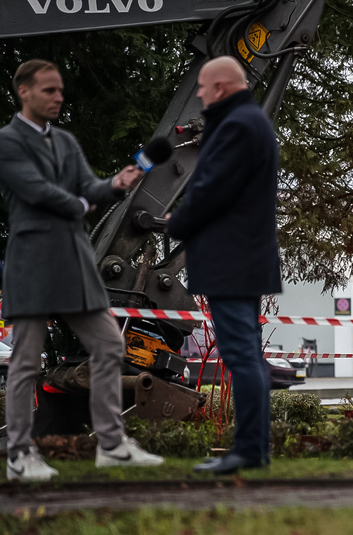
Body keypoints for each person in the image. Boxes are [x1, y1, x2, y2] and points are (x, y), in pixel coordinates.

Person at [0, 59, 164, 482]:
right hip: (33, 263)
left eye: (60, 90)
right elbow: (34, 189)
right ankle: (19, 455)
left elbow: (90, 188)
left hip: (74, 263)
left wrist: (119, 181)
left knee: (109, 344)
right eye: (49, 90)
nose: (59, 97)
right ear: (24, 92)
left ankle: (111, 445)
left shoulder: (66, 142)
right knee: (26, 363)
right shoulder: (8, 142)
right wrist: (77, 202)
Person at [166, 56, 281, 475]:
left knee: (240, 357)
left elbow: (212, 189)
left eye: (202, 86)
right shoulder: (251, 123)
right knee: (246, 355)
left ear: (221, 87)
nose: (198, 94)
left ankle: (249, 449)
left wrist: (177, 221)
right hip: (245, 257)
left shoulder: (235, 126)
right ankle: (255, 447)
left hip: (232, 259)